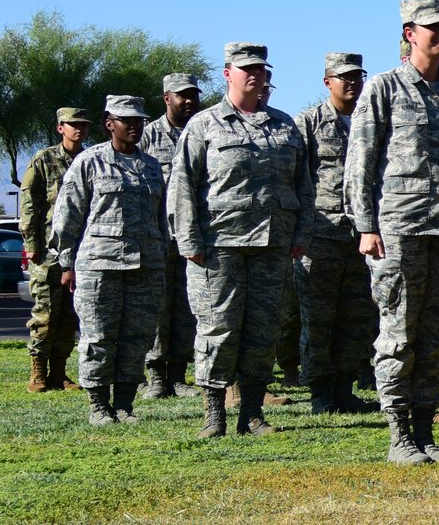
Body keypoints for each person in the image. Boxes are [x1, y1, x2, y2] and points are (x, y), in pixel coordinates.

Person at [349, 0, 439, 465]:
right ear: (409, 34)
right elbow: (360, 162)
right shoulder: (384, 88)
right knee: (398, 331)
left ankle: (425, 429)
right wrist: (365, 225)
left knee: (435, 335)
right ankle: (399, 434)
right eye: (432, 27)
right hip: (399, 227)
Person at [172, 43, 314, 437]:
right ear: (227, 73)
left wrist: (300, 234)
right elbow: (182, 186)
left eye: (260, 68)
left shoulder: (285, 126)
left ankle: (251, 413)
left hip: (274, 245)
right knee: (218, 329)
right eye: (246, 68)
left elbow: (304, 185)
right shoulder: (205, 125)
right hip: (219, 246)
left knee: (263, 331)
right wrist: (189, 241)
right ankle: (214, 414)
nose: (255, 74)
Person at [51, 95, 166, 424]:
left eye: (139, 120)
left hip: (146, 266)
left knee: (138, 337)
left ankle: (125, 405)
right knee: (99, 337)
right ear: (108, 123)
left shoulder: (152, 167)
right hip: (99, 267)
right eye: (125, 120)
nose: (134, 125)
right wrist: (66, 263)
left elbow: (161, 218)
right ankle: (99, 406)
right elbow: (68, 216)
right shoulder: (90, 161)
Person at [294, 53, 377, 415]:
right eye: (344, 77)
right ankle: (320, 393)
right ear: (327, 81)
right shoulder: (309, 123)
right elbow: (298, 179)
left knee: (355, 317)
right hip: (321, 235)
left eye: (357, 77)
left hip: (361, 235)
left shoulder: (370, 119)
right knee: (319, 317)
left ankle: (345, 387)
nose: (352, 83)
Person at [22, 107, 95, 392]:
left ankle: (59, 373)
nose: (79, 129)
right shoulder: (44, 159)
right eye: (73, 124)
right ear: (60, 128)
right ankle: (38, 372)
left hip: (81, 249)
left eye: (84, 125)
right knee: (45, 312)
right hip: (48, 250)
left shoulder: (91, 159)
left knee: (69, 313)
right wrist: (31, 246)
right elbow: (31, 204)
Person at [142, 75, 203, 398]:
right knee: (158, 308)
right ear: (167, 98)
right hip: (159, 237)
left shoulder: (205, 130)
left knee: (186, 307)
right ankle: (155, 376)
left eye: (193, 95)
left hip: (195, 237)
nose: (189, 101)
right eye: (182, 96)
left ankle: (178, 375)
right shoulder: (148, 136)